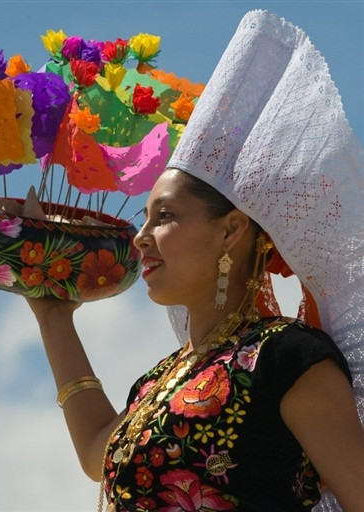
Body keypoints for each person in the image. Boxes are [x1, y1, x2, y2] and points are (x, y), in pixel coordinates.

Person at [25, 10, 364, 512]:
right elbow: (99, 450)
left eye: (164, 216)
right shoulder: (161, 379)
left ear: (230, 230)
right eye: (145, 219)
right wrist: (53, 316)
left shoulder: (287, 358)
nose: (141, 238)